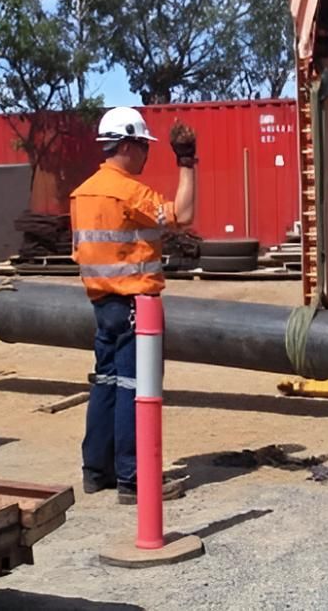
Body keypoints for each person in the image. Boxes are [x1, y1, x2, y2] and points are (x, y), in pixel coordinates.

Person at [70, 106, 197, 503]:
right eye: (143, 146)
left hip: (102, 302)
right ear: (127, 144)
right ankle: (134, 478)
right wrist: (188, 163)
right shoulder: (127, 191)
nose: (146, 154)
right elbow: (184, 215)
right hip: (134, 304)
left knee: (106, 382)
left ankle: (97, 470)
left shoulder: (83, 191)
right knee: (135, 388)